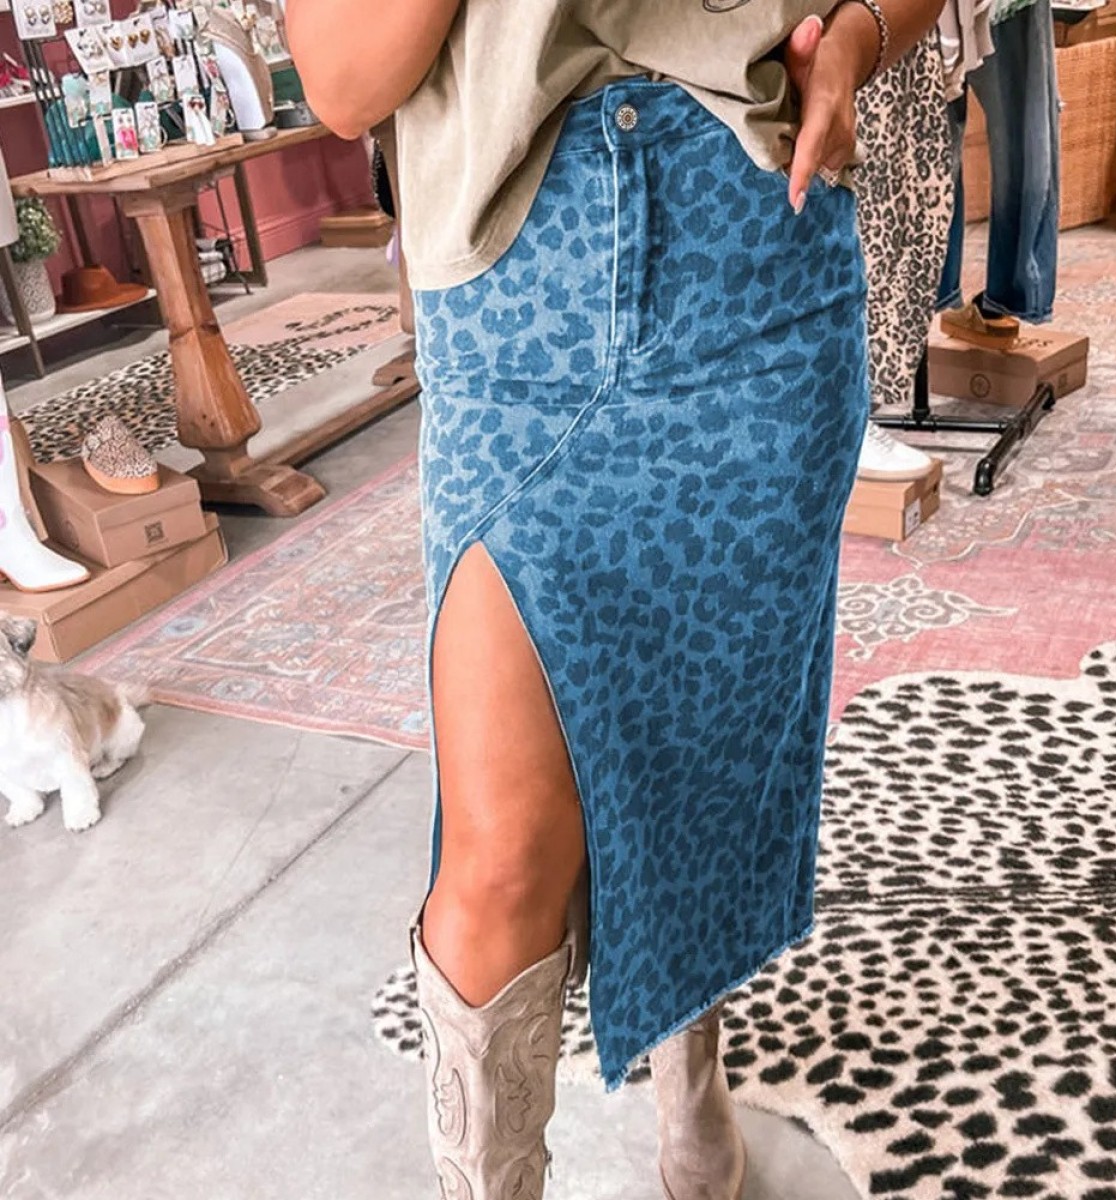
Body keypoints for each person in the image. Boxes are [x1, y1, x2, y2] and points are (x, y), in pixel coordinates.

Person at [291, 2, 942, 1196]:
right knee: (499, 854)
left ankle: (690, 1058)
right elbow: (340, 80)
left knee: (698, 751)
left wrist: (856, 35)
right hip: (510, 282)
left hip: (754, 253)